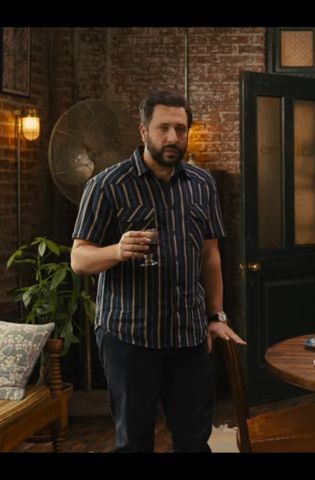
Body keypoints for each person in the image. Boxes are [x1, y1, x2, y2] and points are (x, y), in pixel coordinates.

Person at [70, 90, 245, 452]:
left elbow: (210, 256)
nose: (173, 137)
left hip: (188, 336)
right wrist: (117, 250)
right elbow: (79, 259)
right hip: (129, 337)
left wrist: (216, 316)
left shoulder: (202, 184)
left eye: (180, 129)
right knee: (134, 442)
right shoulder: (106, 185)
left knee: (194, 441)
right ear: (143, 130)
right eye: (163, 128)